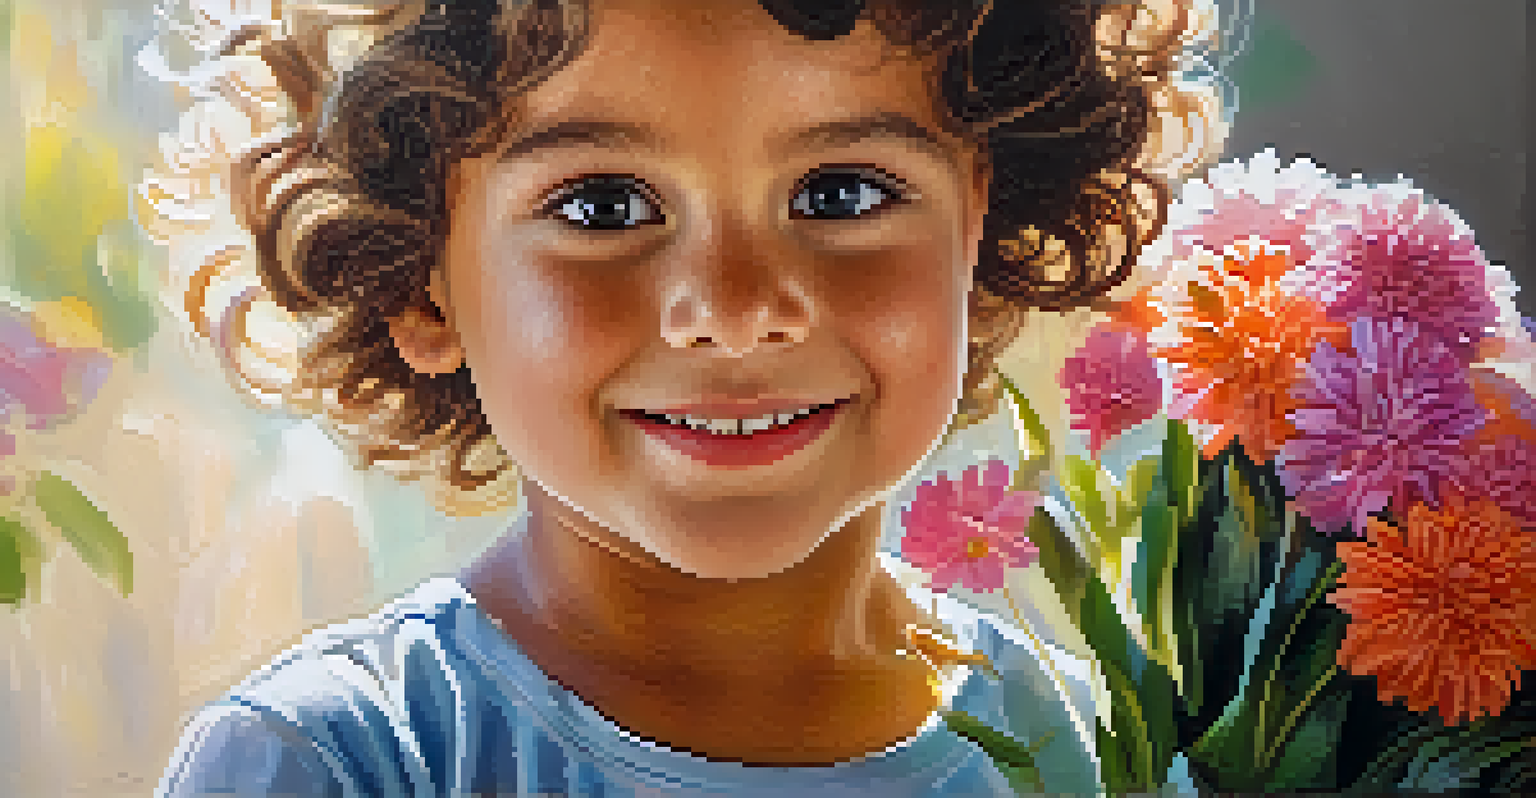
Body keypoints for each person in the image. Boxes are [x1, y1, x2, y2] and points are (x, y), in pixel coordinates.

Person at [148, 0, 1221, 794]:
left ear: (979, 225)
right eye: (605, 204)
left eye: (840, 193)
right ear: (420, 280)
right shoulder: (340, 760)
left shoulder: (1092, 748)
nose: (735, 307)